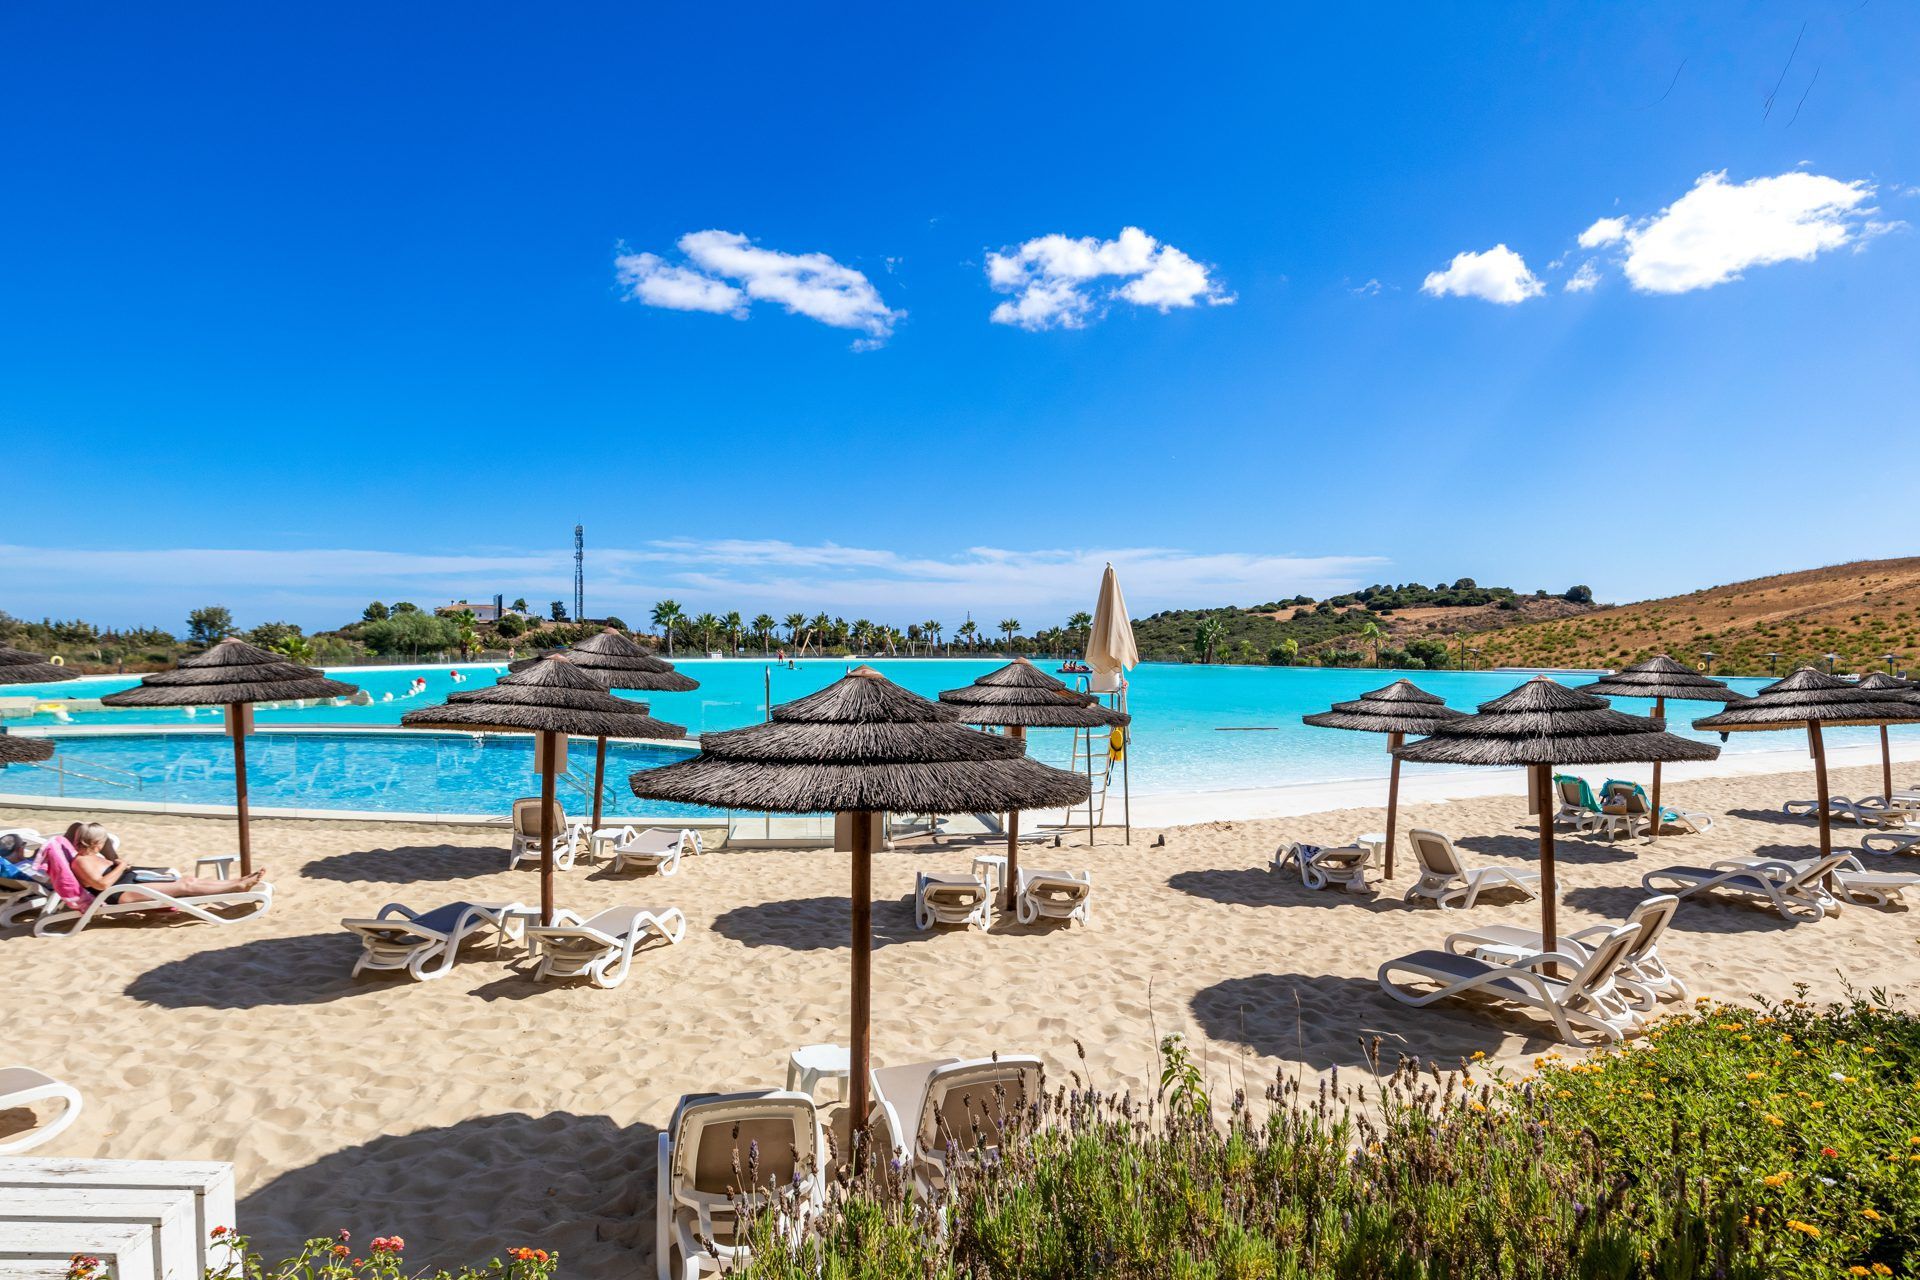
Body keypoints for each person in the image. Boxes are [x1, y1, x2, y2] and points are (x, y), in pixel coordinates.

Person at [64, 822, 264, 900]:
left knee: (188, 879)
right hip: (122, 893)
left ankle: (238, 882)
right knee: (185, 885)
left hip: (130, 882)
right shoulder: (81, 862)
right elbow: (102, 884)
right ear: (95, 842)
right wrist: (122, 866)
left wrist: (118, 865)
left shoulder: (91, 856)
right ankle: (236, 887)